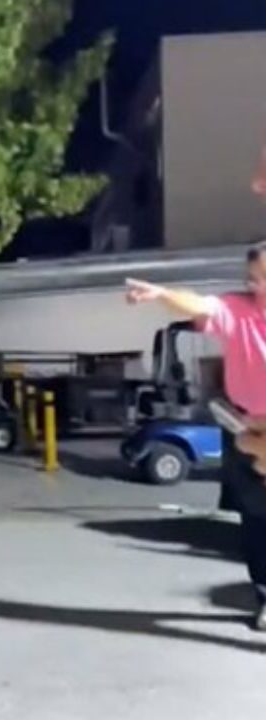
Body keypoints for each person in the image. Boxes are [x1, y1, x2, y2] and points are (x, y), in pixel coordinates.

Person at [127, 244, 266, 630]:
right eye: (252, 279)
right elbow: (199, 305)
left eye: (263, 278)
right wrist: (160, 295)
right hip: (246, 423)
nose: (256, 286)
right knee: (256, 514)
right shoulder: (238, 310)